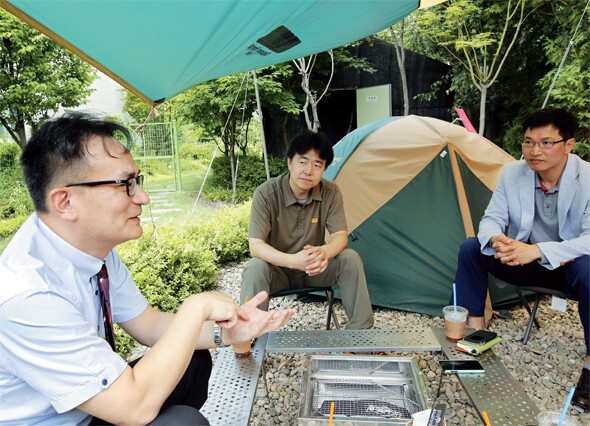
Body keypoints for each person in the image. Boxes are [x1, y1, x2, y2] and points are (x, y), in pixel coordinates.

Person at [0, 112, 296, 425]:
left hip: (88, 404)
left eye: (137, 181)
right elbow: (132, 409)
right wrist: (196, 307)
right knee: (184, 422)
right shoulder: (28, 295)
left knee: (192, 360)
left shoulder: (89, 248)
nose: (143, 197)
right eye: (124, 184)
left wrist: (228, 332)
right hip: (56, 419)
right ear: (65, 202)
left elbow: (150, 326)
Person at [453, 107, 589, 410]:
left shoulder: (588, 178)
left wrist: (538, 251)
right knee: (472, 248)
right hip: (524, 263)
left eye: (546, 142)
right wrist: (497, 239)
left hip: (569, 268)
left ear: (569, 145)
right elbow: (491, 218)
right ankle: (476, 337)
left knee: (589, 269)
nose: (534, 151)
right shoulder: (513, 172)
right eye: (528, 142)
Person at [240, 130, 374, 330]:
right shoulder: (266, 193)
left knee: (350, 258)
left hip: (314, 269)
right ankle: (249, 337)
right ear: (289, 162)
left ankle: (361, 334)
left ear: (324, 169)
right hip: (278, 271)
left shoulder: (330, 192)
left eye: (317, 164)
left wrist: (323, 253)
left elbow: (340, 236)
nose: (309, 170)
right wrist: (292, 261)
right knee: (254, 267)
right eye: (302, 162)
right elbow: (256, 246)